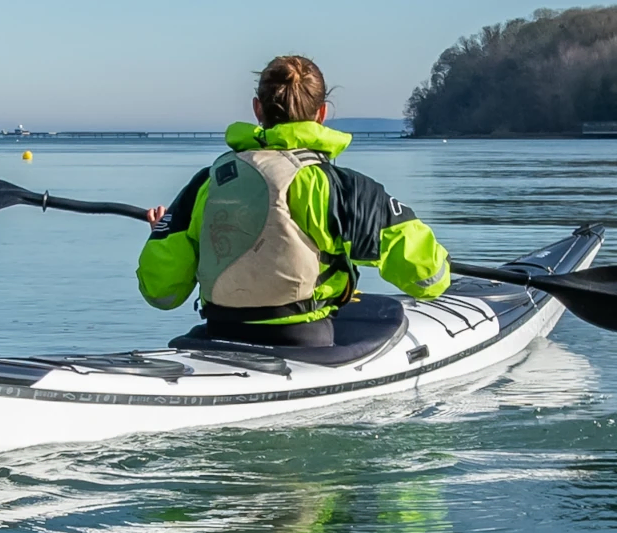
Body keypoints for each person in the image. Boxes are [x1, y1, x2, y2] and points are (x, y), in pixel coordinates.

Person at [136, 55, 450, 347]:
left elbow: (161, 292)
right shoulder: (340, 187)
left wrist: (161, 232)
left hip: (221, 334)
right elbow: (427, 278)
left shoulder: (208, 182)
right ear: (322, 113)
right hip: (304, 342)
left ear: (257, 109)